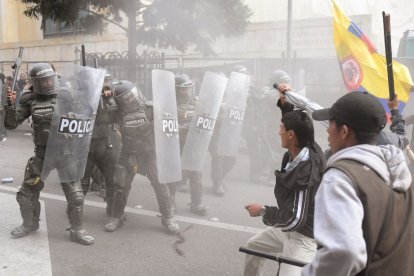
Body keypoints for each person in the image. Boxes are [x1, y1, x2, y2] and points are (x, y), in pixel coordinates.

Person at [303, 91, 414, 276]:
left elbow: (345, 252)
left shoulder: (341, 178)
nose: (327, 130)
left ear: (344, 131)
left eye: (331, 123)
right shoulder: (403, 177)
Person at [4, 63, 94, 245]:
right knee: (25, 194)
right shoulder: (30, 99)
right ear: (36, 82)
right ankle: (29, 224)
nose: (46, 83)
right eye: (43, 80)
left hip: (65, 152)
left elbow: (85, 115)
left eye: (49, 79)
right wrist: (10, 104)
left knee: (76, 195)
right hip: (42, 154)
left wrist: (86, 102)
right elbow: (11, 124)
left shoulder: (65, 95)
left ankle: (77, 230)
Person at [243, 109, 326, 276]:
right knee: (252, 247)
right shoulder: (302, 148)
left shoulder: (306, 171)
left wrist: (264, 211)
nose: (278, 131)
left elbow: (295, 219)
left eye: (281, 128)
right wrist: (285, 105)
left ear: (290, 135)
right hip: (288, 230)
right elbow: (300, 125)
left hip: (304, 239)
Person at [105, 80, 179, 232]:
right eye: (127, 98)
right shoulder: (117, 114)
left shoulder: (151, 109)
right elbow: (100, 116)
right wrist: (105, 97)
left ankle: (168, 218)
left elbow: (168, 126)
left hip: (149, 154)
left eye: (132, 95)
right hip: (128, 154)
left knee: (160, 185)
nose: (132, 100)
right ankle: (116, 216)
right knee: (121, 186)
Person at [168, 73, 207, 215]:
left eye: (189, 88)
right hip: (175, 144)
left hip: (193, 144)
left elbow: (204, 119)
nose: (186, 92)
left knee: (196, 173)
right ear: (176, 89)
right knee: (173, 174)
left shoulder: (197, 102)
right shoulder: (169, 103)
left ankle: (196, 204)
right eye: (183, 89)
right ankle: (170, 203)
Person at [80, 71, 117, 216]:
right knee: (83, 182)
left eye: (107, 80)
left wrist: (110, 101)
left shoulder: (107, 97)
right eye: (103, 81)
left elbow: (115, 115)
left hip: (103, 144)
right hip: (88, 146)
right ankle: (74, 210)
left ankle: (112, 208)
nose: (106, 84)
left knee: (112, 178)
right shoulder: (83, 97)